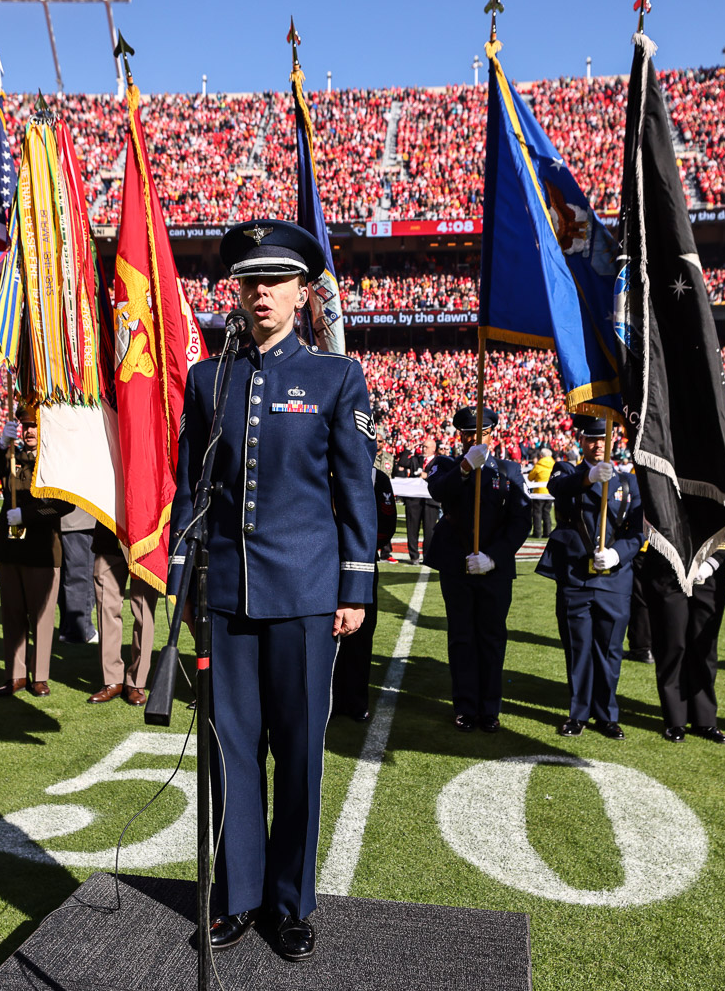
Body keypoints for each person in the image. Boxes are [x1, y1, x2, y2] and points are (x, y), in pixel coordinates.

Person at [170, 219, 377, 961]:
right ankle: (238, 897)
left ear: (301, 292)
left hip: (306, 591)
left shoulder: (334, 377)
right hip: (225, 592)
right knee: (230, 751)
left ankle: (291, 902)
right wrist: (182, 577)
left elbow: (356, 492)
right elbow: (191, 484)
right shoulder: (206, 378)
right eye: (250, 281)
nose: (261, 293)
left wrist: (355, 585)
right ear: (238, 289)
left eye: (276, 281)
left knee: (298, 751)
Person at [537, 415, 645, 739]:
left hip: (614, 579)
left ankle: (607, 714)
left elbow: (638, 531)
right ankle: (578, 713)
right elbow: (558, 487)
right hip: (575, 578)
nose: (598, 445)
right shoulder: (567, 470)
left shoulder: (629, 483)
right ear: (581, 441)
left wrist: (617, 554)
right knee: (578, 648)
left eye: (604, 439)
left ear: (614, 441)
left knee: (610, 650)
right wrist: (589, 477)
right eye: (591, 439)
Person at [425, 407, 532, 732]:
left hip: (494, 569)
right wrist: (466, 467)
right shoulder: (446, 465)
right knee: (461, 638)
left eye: (480, 432)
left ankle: (490, 709)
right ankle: (465, 707)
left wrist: (493, 557)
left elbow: (520, 521)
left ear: (492, 433)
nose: (474, 438)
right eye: (468, 433)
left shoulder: (510, 471)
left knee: (491, 637)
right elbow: (438, 490)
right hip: (456, 565)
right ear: (460, 436)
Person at [0, 406, 70, 698]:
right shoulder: (10, 456)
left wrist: (28, 516)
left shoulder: (55, 459)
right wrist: (0, 446)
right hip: (10, 547)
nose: (28, 431)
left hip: (42, 548)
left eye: (33, 425)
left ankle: (39, 676)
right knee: (12, 614)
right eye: (24, 426)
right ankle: (15, 674)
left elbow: (65, 504)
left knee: (41, 617)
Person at [640, 545, 725, 744]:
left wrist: (711, 563)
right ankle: (675, 719)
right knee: (671, 645)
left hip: (709, 572)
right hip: (667, 568)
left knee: (704, 648)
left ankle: (705, 720)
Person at [332, 466, 399, 723]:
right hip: (324, 562)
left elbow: (387, 522)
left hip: (362, 565)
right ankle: (331, 700)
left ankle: (356, 701)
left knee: (360, 636)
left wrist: (363, 549)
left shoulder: (376, 478)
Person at [87, 522, 159, 706]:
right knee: (106, 609)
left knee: (144, 611)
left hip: (145, 536)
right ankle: (111, 680)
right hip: (109, 536)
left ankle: (137, 683)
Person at [396, 438, 441, 564]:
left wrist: (428, 476)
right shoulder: (416, 459)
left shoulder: (439, 461)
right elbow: (403, 462)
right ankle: (414, 556)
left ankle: (428, 556)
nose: (423, 449)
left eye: (426, 447)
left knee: (430, 530)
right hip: (414, 499)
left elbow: (443, 476)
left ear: (433, 448)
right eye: (423, 446)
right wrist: (409, 449)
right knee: (412, 528)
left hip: (430, 500)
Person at [58, 507, 99, 644]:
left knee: (66, 576)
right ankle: (80, 630)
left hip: (62, 515)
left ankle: (68, 627)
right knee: (80, 574)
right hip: (79, 516)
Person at [527, 447, 555, 539]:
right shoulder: (554, 465)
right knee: (547, 512)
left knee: (537, 513)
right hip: (550, 493)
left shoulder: (538, 465)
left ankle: (537, 533)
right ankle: (548, 532)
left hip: (539, 493)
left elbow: (530, 478)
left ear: (541, 456)